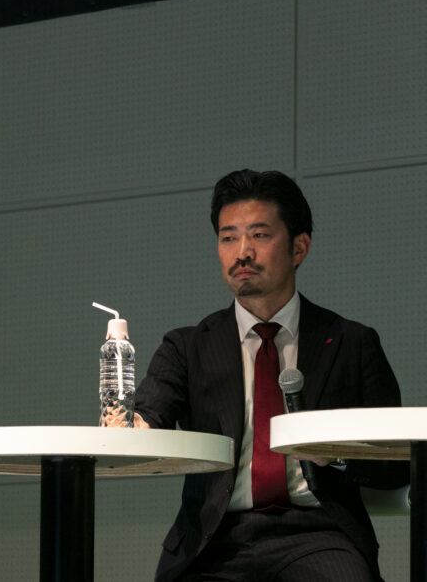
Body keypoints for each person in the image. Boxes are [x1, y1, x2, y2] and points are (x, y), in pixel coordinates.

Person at [130, 169, 407, 582]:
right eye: (228, 238)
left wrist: (335, 454)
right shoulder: (187, 347)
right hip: (215, 539)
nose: (242, 252)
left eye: (259, 235)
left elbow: (396, 462)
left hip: (317, 532)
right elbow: (146, 419)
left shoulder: (351, 342)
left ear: (299, 247)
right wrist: (130, 423)